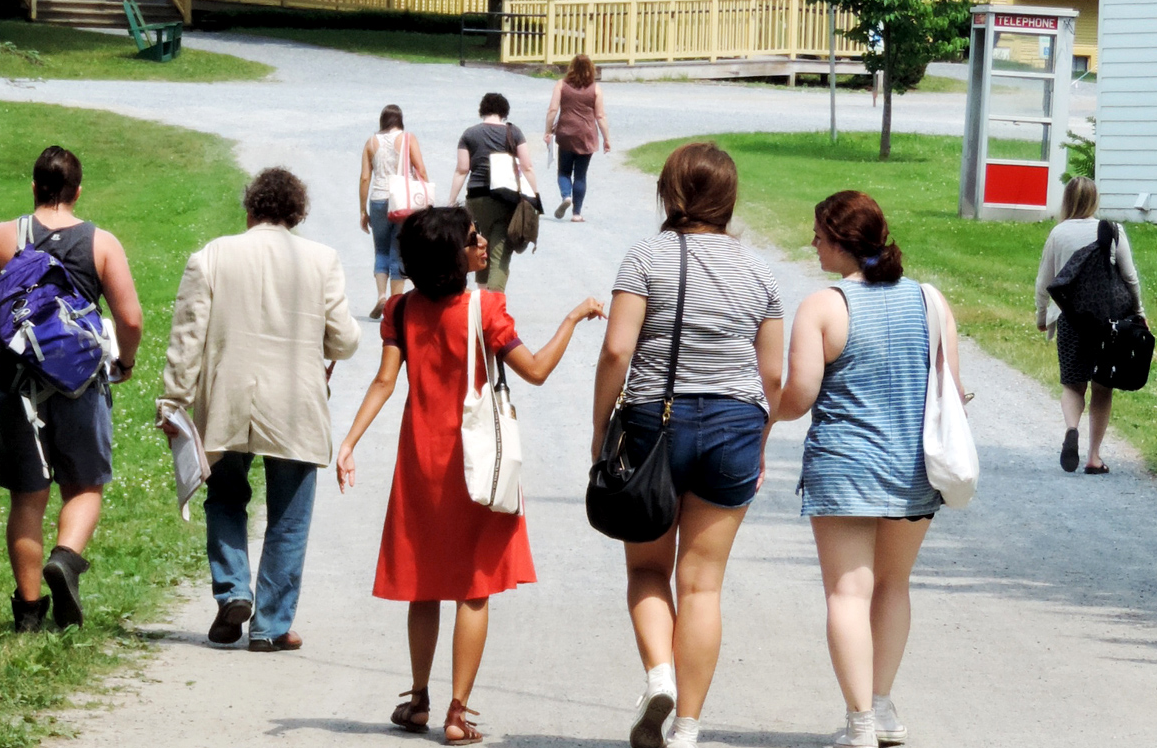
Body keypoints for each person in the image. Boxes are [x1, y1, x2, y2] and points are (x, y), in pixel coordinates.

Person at [337, 207, 604, 745]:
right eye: (474, 237)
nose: (483, 242)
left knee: (423, 585)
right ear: (453, 256)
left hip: (420, 461)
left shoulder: (400, 310)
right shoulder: (486, 307)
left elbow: (385, 382)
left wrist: (348, 441)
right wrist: (572, 319)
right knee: (473, 587)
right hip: (478, 461)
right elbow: (537, 370)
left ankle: (418, 701)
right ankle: (458, 714)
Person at [591, 143, 785, 748]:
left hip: (655, 424)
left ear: (670, 193)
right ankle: (690, 729)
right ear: (728, 198)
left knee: (648, 569)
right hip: (734, 424)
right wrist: (761, 435)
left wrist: (601, 431)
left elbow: (618, 350)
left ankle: (659, 675)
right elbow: (773, 374)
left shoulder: (646, 257)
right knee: (703, 584)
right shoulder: (759, 271)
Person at [774, 191, 963, 748]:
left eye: (818, 235)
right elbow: (951, 392)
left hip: (845, 469)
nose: (812, 243)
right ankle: (882, 706)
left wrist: (765, 412)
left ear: (841, 242)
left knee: (846, 595)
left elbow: (801, 395)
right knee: (894, 585)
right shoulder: (932, 301)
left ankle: (858, 722)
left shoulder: (823, 306)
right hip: (914, 469)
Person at [157, 168, 361, 652]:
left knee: (225, 499)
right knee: (289, 515)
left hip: (228, 401)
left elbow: (187, 339)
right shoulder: (322, 259)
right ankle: (270, 625)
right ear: (296, 214)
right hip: (296, 405)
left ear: (249, 209)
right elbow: (346, 340)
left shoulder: (211, 256)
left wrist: (173, 401)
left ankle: (232, 590)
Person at [0, 146, 144, 633]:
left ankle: (30, 613)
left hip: (18, 383)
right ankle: (65, 557)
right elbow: (130, 318)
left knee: (27, 496)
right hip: (81, 382)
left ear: (34, 186)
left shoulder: (2, 237)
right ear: (77, 191)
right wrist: (125, 360)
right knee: (84, 485)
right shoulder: (101, 243)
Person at [1033, 176, 1145, 474]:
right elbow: (1130, 277)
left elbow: (1044, 282)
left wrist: (1042, 317)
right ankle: (1094, 457)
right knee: (1102, 385)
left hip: (1070, 319)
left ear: (1067, 200)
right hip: (1108, 322)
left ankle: (1072, 429)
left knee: (1073, 383)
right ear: (1095, 200)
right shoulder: (1112, 230)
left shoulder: (1058, 233)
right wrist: (1139, 312)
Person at [447, 92, 542, 294]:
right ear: (504, 112)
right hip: (504, 199)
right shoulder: (514, 133)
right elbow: (527, 166)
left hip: (476, 198)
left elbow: (462, 169)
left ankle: (480, 299)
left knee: (480, 247)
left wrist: (451, 200)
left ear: (482, 110)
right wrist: (535, 195)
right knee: (500, 251)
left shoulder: (469, 134)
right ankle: (493, 302)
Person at [360, 104, 429, 319]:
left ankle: (381, 296)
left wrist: (363, 210)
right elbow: (421, 169)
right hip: (402, 202)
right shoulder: (408, 139)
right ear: (400, 120)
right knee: (398, 250)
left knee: (380, 249)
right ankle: (394, 304)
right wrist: (425, 195)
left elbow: (365, 178)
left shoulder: (371, 142)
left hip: (378, 200)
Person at [543, 54, 612, 222]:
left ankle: (566, 196)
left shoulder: (561, 85)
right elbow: (600, 116)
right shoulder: (596, 89)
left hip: (566, 133)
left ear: (571, 68)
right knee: (581, 175)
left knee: (564, 171)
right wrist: (606, 139)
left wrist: (548, 131)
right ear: (591, 69)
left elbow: (552, 110)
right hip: (586, 135)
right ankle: (577, 213)